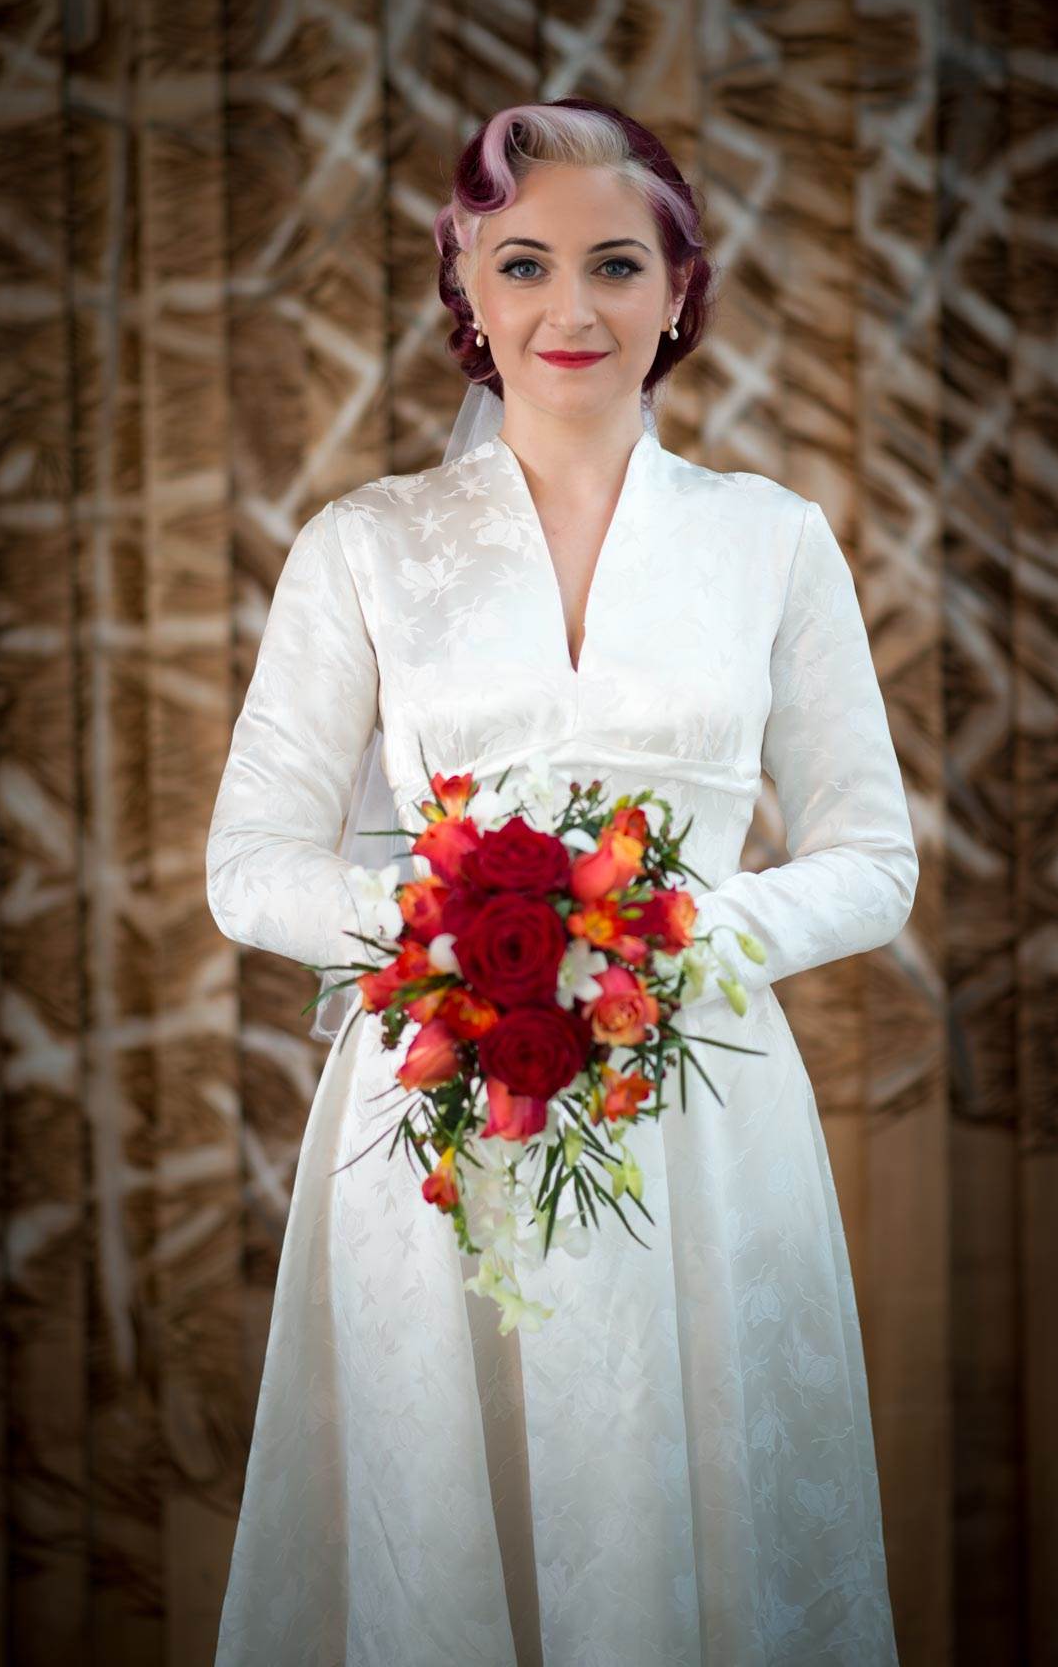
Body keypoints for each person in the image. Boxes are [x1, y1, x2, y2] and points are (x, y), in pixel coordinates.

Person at [206, 98, 917, 1666]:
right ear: (466, 289)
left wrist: (667, 937)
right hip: (438, 1117)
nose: (568, 307)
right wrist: (455, 941)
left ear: (678, 291)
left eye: (613, 263)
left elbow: (873, 863)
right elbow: (247, 868)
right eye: (521, 264)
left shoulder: (770, 542)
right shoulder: (366, 544)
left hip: (701, 1117)